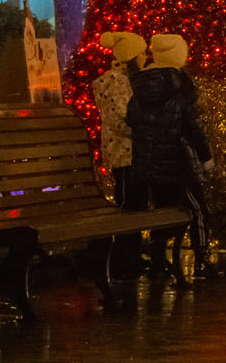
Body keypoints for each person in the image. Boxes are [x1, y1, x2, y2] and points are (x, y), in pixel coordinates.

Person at [126, 33, 216, 279]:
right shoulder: (182, 87)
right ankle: (202, 261)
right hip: (180, 166)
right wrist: (206, 157)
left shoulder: (140, 85)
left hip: (149, 167)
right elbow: (194, 127)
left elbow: (130, 120)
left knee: (162, 212)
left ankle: (158, 263)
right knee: (198, 210)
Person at [92, 31, 148, 273]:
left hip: (130, 152)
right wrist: (144, 131)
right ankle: (124, 258)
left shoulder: (125, 81)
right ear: (132, 57)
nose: (146, 57)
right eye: (142, 53)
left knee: (136, 204)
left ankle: (131, 254)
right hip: (124, 153)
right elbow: (119, 119)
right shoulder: (117, 83)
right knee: (128, 203)